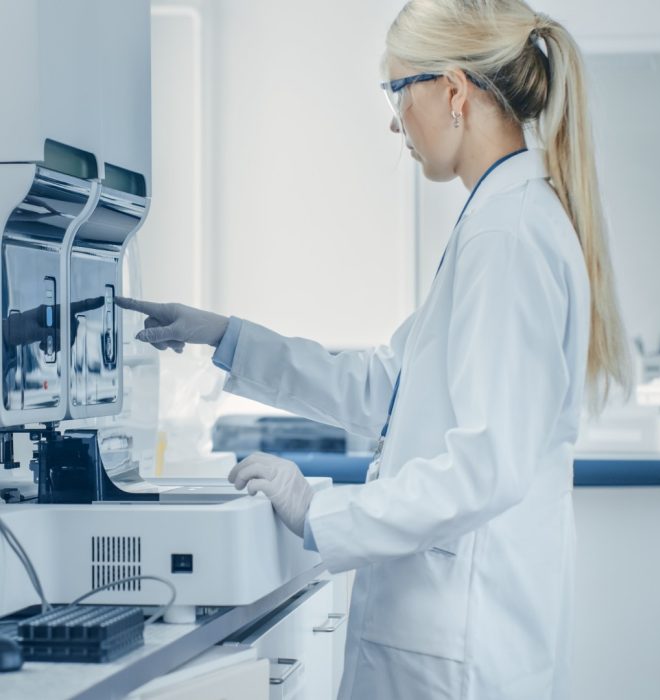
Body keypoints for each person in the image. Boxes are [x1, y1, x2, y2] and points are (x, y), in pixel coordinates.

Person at [118, 0, 631, 697]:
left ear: (452, 91)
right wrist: (226, 336)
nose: (394, 121)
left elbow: (485, 467)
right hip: (456, 631)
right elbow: (390, 387)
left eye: (396, 90)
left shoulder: (507, 235)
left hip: (459, 640)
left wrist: (320, 514)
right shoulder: (500, 218)